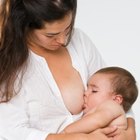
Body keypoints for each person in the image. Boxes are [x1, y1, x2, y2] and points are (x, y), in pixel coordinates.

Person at [0, 0, 136, 140]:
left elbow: (115, 88)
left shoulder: (80, 41)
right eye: (51, 35)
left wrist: (130, 130)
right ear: (24, 25)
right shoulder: (7, 64)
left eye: (68, 29)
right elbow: (11, 130)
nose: (63, 41)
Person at [62, 66, 138, 134]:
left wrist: (65, 132)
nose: (85, 93)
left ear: (116, 100)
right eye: (87, 88)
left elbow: (96, 121)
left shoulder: (112, 106)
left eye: (94, 91)